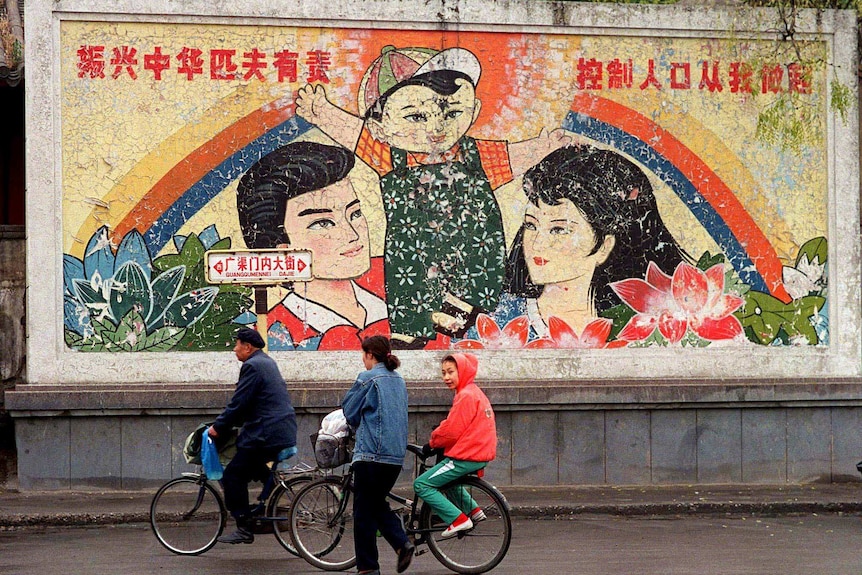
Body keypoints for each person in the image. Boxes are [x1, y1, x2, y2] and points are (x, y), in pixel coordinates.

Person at [295, 45, 570, 347]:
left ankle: (464, 314)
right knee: (409, 286)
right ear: (380, 128)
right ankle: (412, 333)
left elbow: (512, 157)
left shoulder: (477, 155)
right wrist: (322, 112)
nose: (437, 128)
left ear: (473, 111)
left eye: (452, 113)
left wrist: (541, 148)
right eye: (416, 117)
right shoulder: (388, 158)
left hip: (473, 250)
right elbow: (354, 134)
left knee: (480, 280)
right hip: (414, 250)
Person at [499, 144, 691, 338]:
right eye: (531, 225)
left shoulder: (655, 325)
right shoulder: (501, 322)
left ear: (605, 246)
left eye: (558, 230)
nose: (537, 244)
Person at [236, 140, 389, 350]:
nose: (352, 234)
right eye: (323, 223)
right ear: (282, 250)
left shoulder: (395, 277)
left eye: (355, 214)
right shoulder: (275, 333)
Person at [208, 327, 297, 544]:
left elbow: (238, 403)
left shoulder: (252, 366)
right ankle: (272, 486)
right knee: (251, 463)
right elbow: (250, 403)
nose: (234, 348)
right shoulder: (265, 362)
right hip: (279, 430)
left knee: (233, 476)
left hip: (266, 433)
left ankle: (243, 526)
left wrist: (218, 427)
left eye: (237, 344)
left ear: (248, 347)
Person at [341, 335, 414, 575]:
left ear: (370, 354)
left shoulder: (368, 378)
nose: (363, 359)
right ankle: (400, 544)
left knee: (363, 511)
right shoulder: (399, 380)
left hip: (371, 455)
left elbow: (350, 412)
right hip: (394, 458)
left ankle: (368, 567)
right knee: (374, 504)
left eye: (363, 354)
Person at [413, 352, 496, 538]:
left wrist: (432, 442)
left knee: (421, 485)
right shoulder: (474, 392)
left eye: (451, 372)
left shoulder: (465, 396)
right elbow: (455, 423)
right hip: (479, 453)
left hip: (466, 455)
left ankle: (458, 520)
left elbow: (451, 431)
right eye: (443, 373)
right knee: (448, 482)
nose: (446, 377)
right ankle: (474, 511)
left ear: (463, 371)